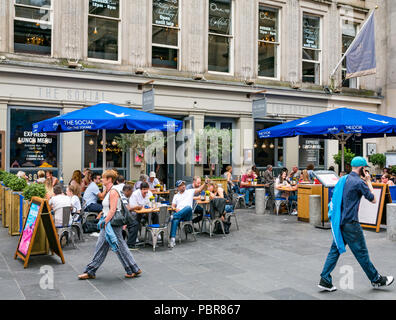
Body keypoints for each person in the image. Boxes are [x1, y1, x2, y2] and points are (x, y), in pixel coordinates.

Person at [318, 157, 394, 292]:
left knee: (334, 251)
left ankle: (325, 279)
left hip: (339, 222)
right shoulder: (359, 182)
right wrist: (369, 181)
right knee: (362, 253)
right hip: (351, 224)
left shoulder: (344, 179)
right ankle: (376, 279)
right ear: (362, 169)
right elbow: (373, 199)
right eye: (365, 169)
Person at [78, 170, 142, 280]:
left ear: (109, 180)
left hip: (110, 223)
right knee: (114, 246)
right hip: (110, 222)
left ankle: (91, 271)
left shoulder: (113, 191)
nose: (101, 179)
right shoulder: (110, 190)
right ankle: (133, 268)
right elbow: (109, 208)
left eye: (103, 178)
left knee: (109, 246)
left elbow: (113, 210)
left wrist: (104, 221)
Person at [170, 179, 208, 249]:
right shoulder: (176, 196)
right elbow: (172, 206)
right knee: (175, 220)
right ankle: (172, 239)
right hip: (179, 214)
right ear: (178, 188)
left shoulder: (190, 191)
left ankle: (173, 216)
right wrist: (175, 209)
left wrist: (205, 183)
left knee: (188, 208)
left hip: (188, 215)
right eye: (181, 185)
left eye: (184, 185)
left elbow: (199, 189)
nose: (183, 186)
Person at [126, 182, 156, 249]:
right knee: (136, 219)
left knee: (155, 215)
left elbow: (152, 202)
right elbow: (132, 207)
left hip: (146, 212)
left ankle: (155, 233)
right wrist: (139, 207)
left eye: (147, 189)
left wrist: (151, 205)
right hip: (135, 213)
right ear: (140, 189)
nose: (146, 191)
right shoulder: (135, 194)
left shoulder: (149, 193)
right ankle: (133, 239)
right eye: (144, 189)